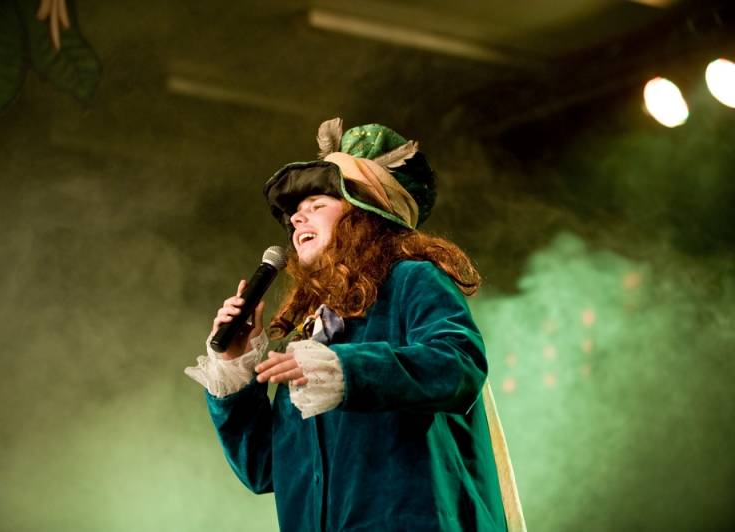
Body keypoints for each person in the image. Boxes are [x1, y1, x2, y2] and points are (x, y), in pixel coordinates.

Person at [185, 119, 513, 531]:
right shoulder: (309, 334)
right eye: (295, 214)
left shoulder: (412, 279)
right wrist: (236, 371)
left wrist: (347, 369)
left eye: (317, 206)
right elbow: (266, 469)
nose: (297, 219)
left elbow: (459, 365)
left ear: (365, 216)